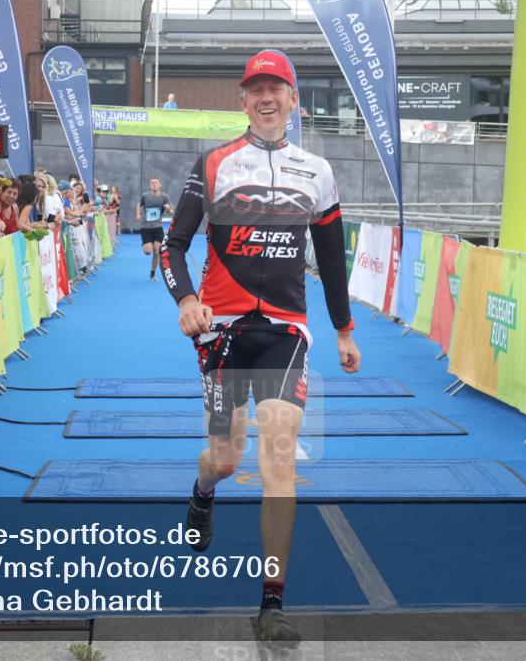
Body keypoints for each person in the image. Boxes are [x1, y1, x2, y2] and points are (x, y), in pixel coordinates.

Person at [159, 50, 360, 648]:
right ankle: (203, 492)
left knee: (278, 457)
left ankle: (271, 602)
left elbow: (331, 258)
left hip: (286, 332)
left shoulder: (318, 171)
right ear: (242, 100)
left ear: (294, 100)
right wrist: (186, 301)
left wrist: (344, 329)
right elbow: (173, 246)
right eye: (255, 89)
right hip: (221, 334)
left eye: (277, 87)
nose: (266, 97)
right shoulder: (215, 163)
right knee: (224, 458)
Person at [137, 177, 172, 281]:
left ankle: (152, 273)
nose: (154, 184)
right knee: (148, 252)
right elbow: (139, 204)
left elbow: (171, 210)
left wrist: (168, 209)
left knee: (157, 252)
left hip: (157, 227)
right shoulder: (145, 196)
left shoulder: (164, 197)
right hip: (146, 228)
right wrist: (138, 214)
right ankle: (147, 244)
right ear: (150, 185)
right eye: (152, 183)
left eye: (156, 182)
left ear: (160, 184)